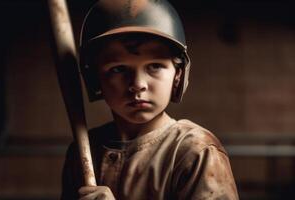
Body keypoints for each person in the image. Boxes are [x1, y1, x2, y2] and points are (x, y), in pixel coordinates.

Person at [61, 0, 239, 199]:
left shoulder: (195, 151)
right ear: (95, 79)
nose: (138, 84)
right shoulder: (84, 151)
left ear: (178, 74)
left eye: (154, 66)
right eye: (118, 69)